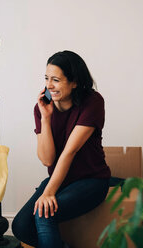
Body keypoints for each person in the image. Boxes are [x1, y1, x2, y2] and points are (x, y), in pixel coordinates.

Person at [12, 50, 111, 248]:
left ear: (74, 82)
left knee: (44, 214)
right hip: (61, 178)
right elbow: (48, 160)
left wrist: (48, 193)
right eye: (47, 78)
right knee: (20, 226)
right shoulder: (41, 107)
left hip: (92, 180)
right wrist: (46, 118)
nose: (49, 85)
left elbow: (69, 151)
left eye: (56, 80)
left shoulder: (93, 101)